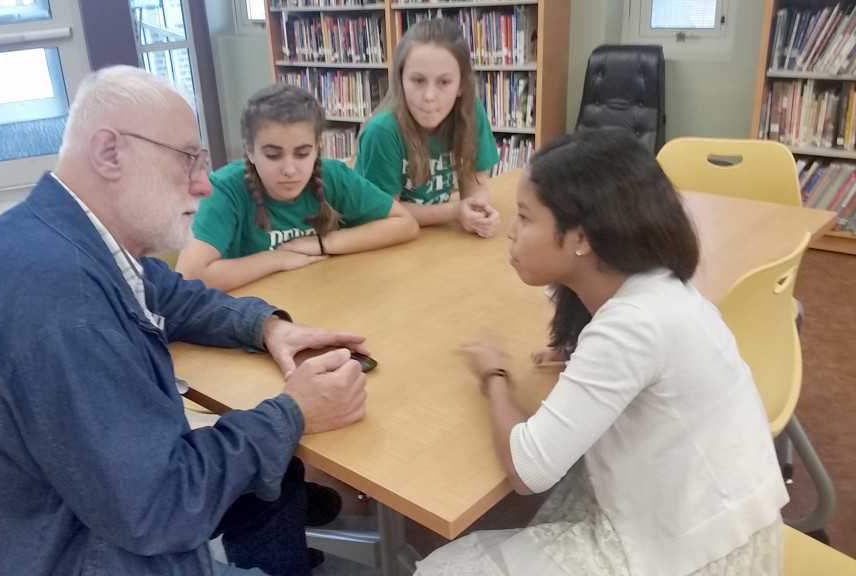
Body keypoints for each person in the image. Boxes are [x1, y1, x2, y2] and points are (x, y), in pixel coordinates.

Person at [0, 65, 370, 576]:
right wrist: (292, 412)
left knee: (269, 476)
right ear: (109, 152)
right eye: (188, 158)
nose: (203, 184)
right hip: (51, 552)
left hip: (40, 522)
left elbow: (169, 293)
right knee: (263, 461)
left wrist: (266, 326)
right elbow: (160, 508)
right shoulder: (65, 309)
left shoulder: (60, 233)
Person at [417, 129, 788, 576]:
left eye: (525, 217)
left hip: (706, 556)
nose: (512, 232)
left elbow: (526, 470)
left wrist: (494, 375)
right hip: (723, 521)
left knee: (444, 570)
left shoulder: (631, 325)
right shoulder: (659, 286)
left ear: (581, 238)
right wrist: (585, 362)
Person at [176, 83, 419, 292]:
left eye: (303, 154)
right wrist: (275, 259)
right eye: (273, 155)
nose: (290, 170)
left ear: (317, 148)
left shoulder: (332, 174)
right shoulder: (224, 191)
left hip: (321, 295)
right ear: (250, 150)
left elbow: (404, 223)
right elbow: (190, 276)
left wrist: (323, 244)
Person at [353, 18, 501, 238]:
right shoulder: (382, 131)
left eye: (444, 82)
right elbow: (386, 213)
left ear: (461, 85)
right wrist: (454, 211)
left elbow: (475, 185)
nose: (429, 97)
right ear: (400, 79)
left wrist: (478, 212)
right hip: (379, 235)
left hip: (429, 235)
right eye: (418, 80)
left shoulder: (470, 113)